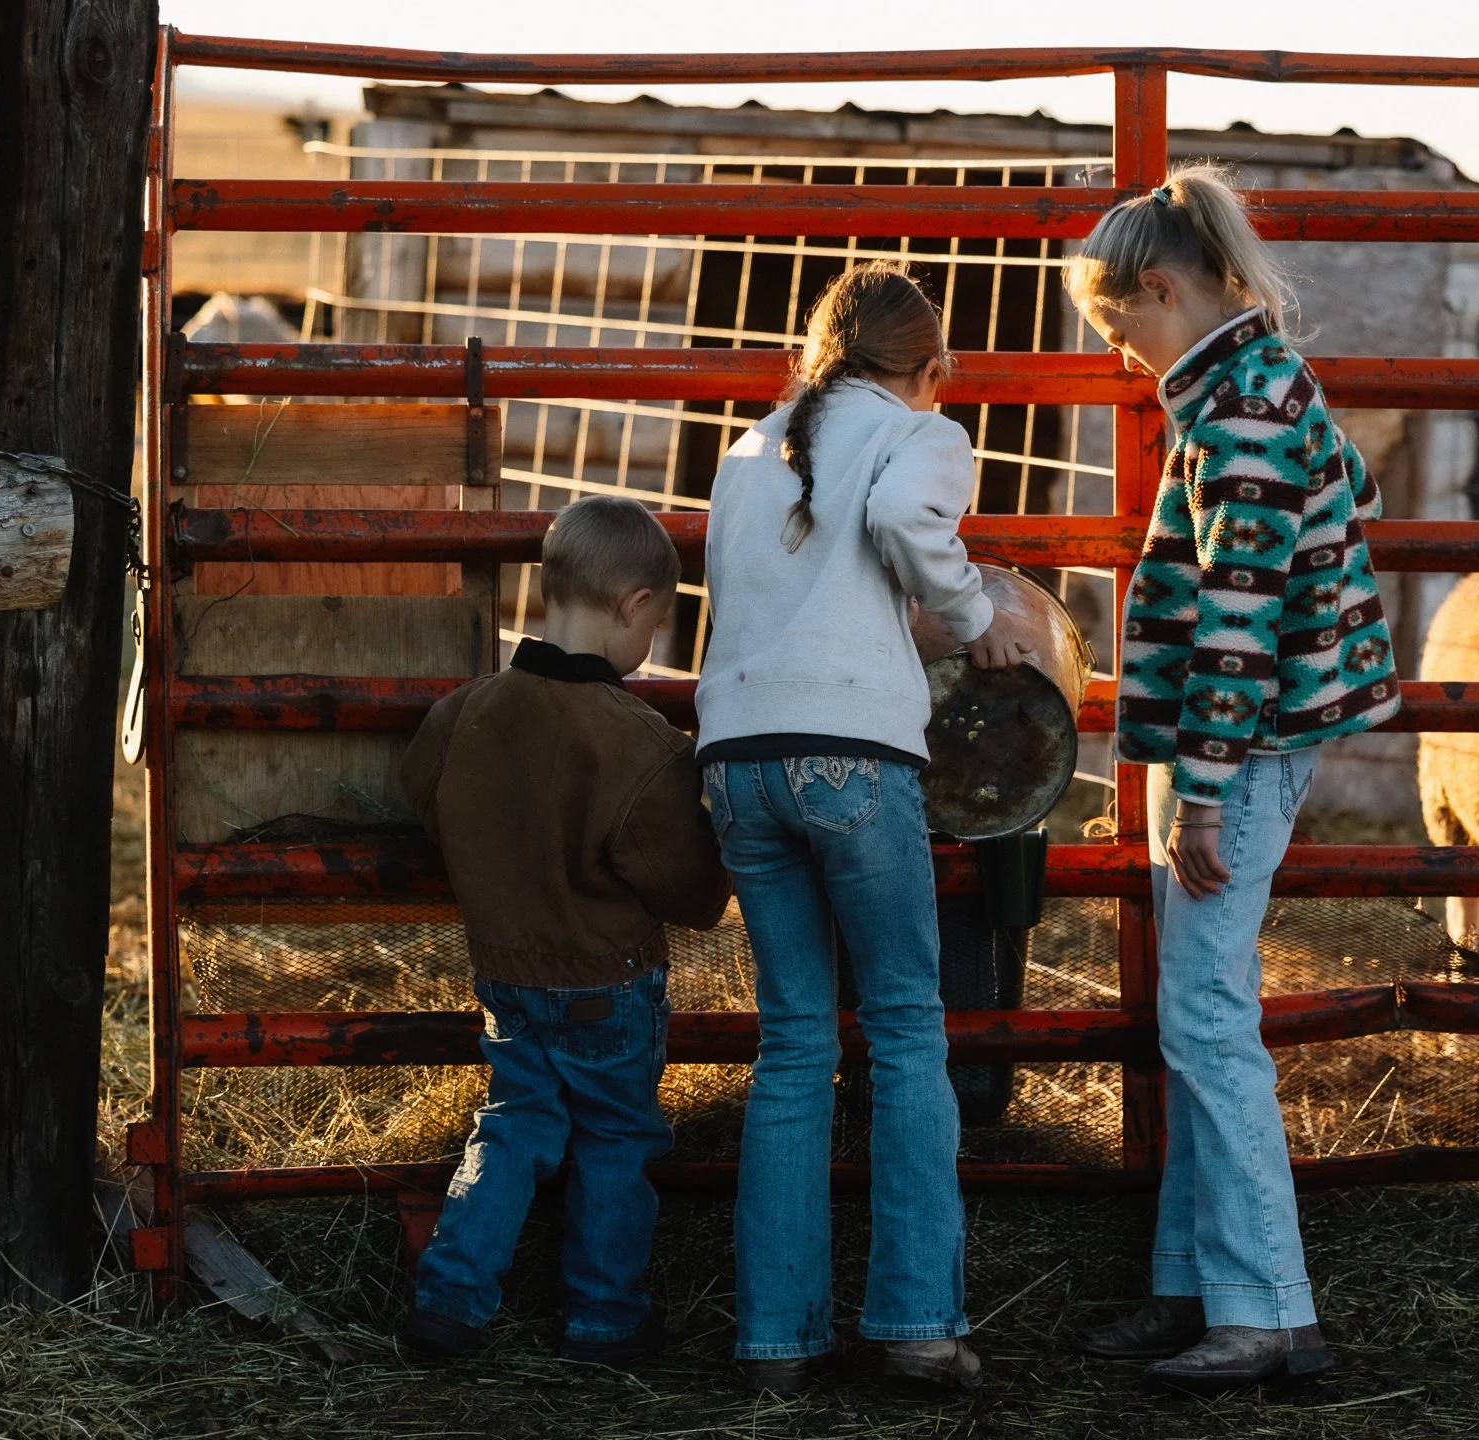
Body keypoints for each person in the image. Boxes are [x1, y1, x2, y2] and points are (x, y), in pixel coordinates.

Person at [1064, 167, 1402, 1395]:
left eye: (1120, 329)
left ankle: (1267, 1310)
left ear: (1162, 287)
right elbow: (1357, 488)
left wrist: (1197, 788)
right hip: (1233, 743)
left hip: (1242, 749)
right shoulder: (1264, 383)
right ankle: (1196, 1287)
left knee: (1208, 1022)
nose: (1118, 357)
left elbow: (1239, 624)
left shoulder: (1239, 413)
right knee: (1195, 1015)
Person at [695, 262, 1034, 1394]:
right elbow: (899, 520)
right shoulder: (921, 436)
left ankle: (776, 1345)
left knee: (792, 1044)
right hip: (852, 758)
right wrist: (977, 618)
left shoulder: (751, 449)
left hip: (737, 764)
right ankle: (916, 1329)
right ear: (931, 371)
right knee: (903, 1032)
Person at [396, 495, 730, 1369]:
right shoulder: (640, 743)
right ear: (636, 606)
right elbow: (691, 891)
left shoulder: (466, 712)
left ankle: (450, 1297)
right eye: (656, 623)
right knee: (617, 1140)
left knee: (512, 1124)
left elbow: (424, 797)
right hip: (608, 986)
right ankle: (605, 1320)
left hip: (506, 974)